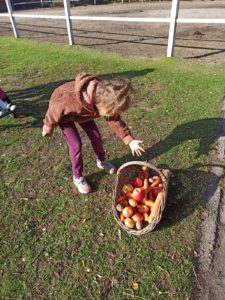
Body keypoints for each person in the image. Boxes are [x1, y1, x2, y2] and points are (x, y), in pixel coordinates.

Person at [42, 73, 144, 194]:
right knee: (76, 145)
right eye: (108, 113)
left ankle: (101, 161)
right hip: (64, 115)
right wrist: (48, 125)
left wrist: (129, 139)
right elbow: (55, 109)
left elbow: (114, 119)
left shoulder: (106, 98)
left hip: (84, 114)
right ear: (100, 105)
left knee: (96, 136)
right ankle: (77, 177)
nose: (109, 116)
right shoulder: (69, 98)